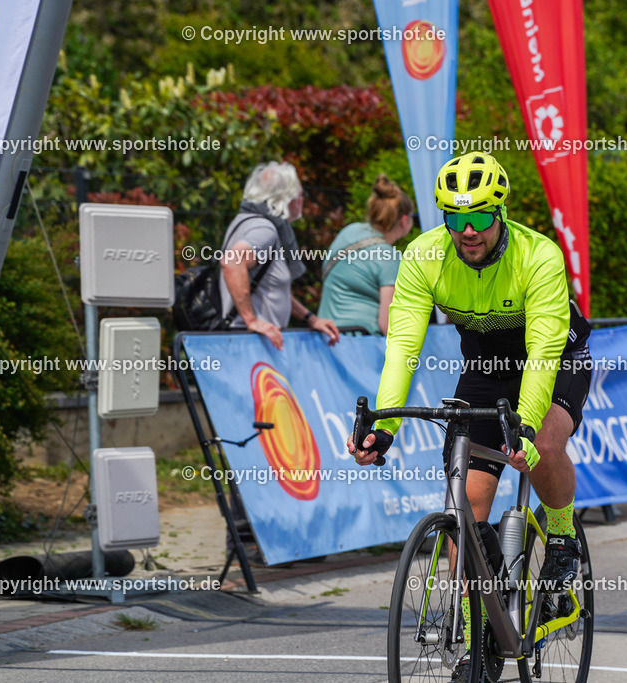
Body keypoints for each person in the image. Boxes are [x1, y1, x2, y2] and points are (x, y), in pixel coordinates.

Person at [346, 153, 592, 678]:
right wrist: (384, 426)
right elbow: (403, 347)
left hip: (553, 357)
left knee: (546, 443)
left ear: (500, 213)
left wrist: (525, 427)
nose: (469, 230)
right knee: (465, 509)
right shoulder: (424, 255)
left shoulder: (538, 256)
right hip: (485, 366)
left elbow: (543, 353)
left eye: (480, 216)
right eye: (456, 218)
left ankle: (563, 538)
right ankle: (483, 634)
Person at [219, 161, 340, 349]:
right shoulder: (265, 229)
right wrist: (252, 321)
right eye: (300, 194)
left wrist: (310, 319)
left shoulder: (244, 221)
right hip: (252, 344)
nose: (302, 200)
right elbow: (232, 262)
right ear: (288, 198)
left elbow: (271, 288)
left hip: (250, 341)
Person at [318, 174, 415, 335]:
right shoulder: (390, 258)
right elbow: (388, 324)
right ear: (404, 221)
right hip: (363, 340)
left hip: (326, 336)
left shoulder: (348, 231)